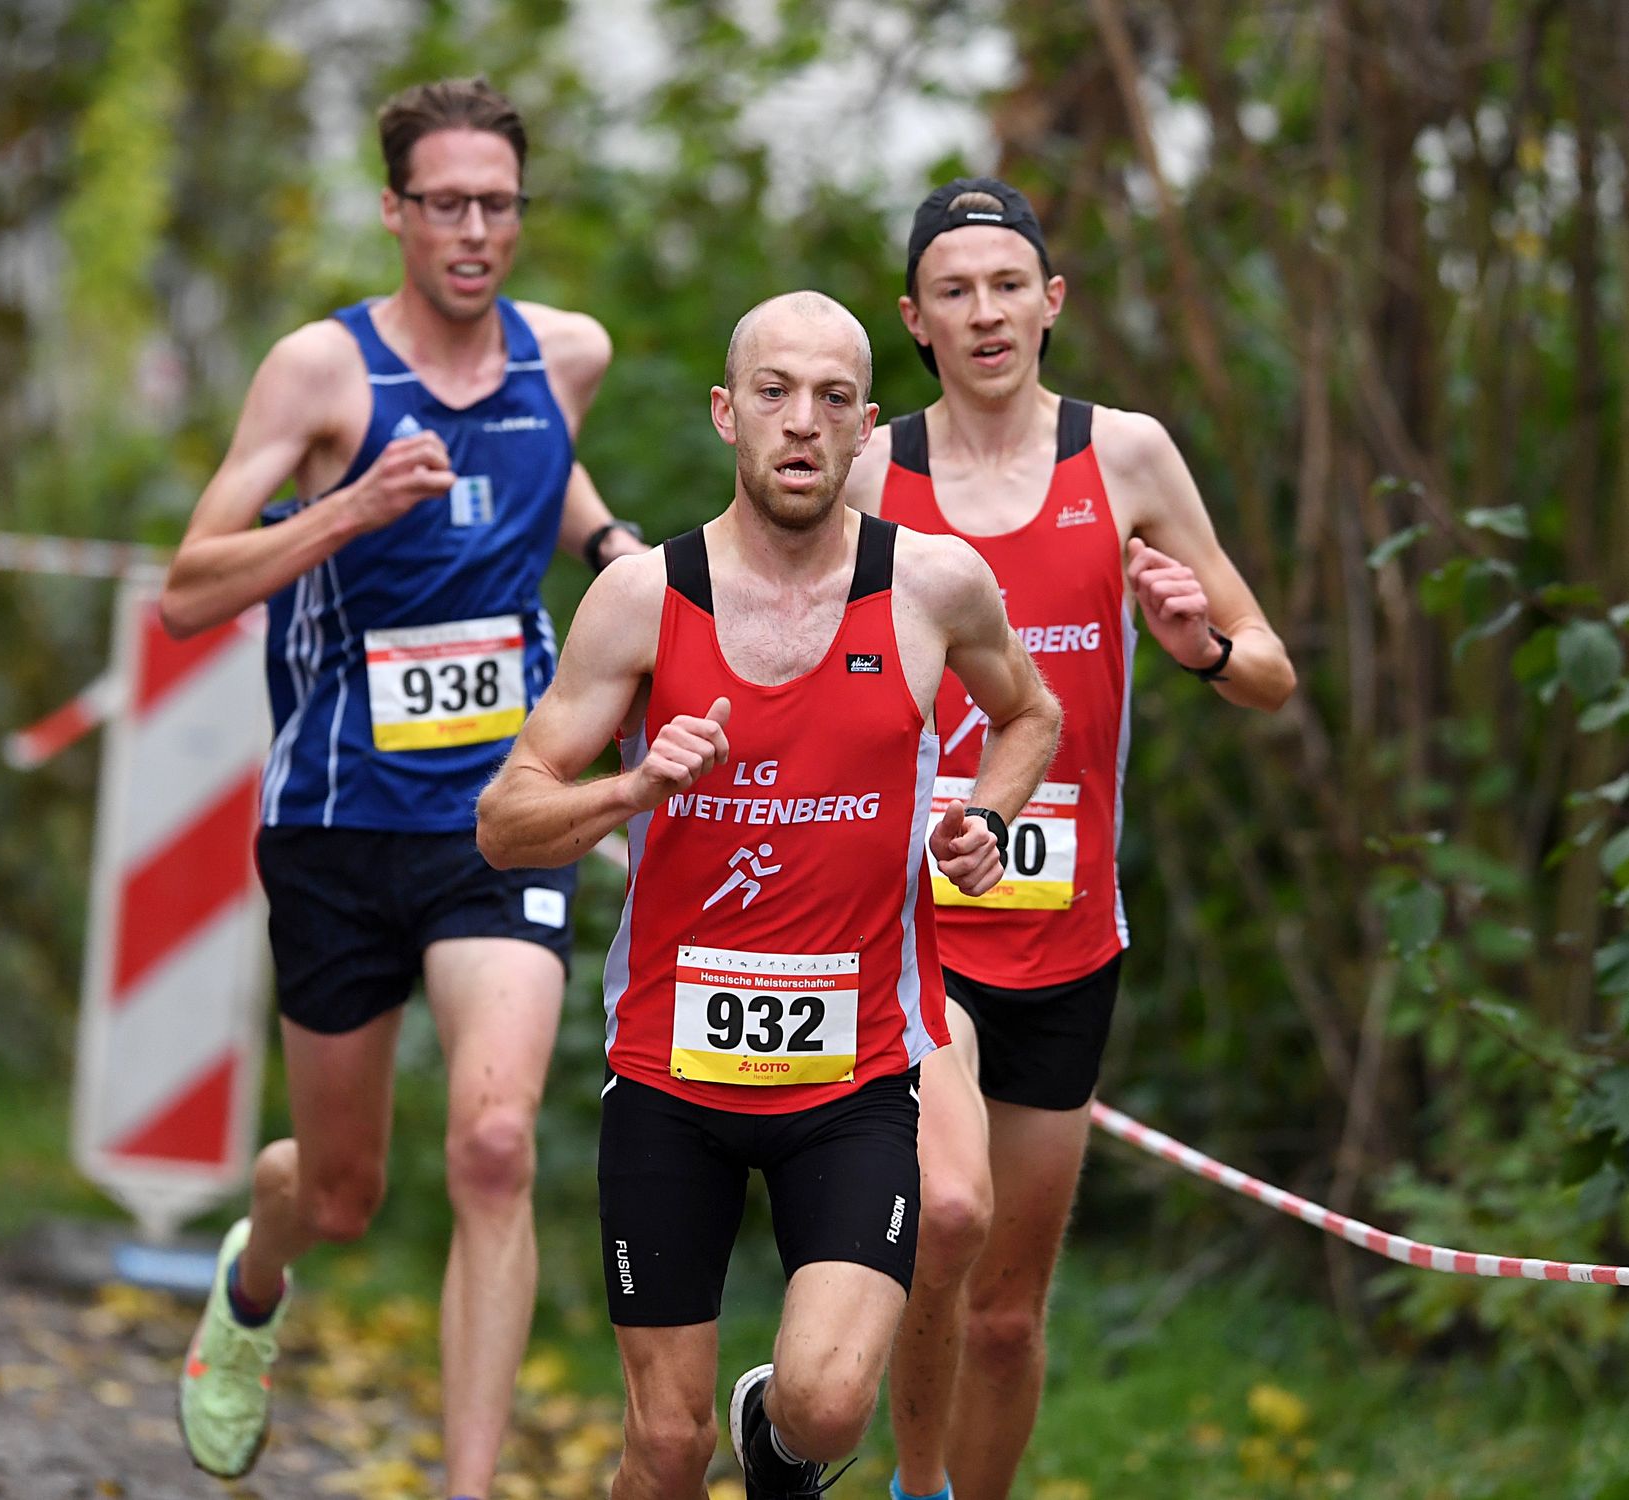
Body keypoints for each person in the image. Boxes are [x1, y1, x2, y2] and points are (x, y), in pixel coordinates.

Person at [475, 290, 1062, 1500]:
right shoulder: (644, 598)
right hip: (668, 1075)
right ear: (725, 414)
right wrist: (633, 787)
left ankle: (779, 1440)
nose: (802, 422)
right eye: (775, 394)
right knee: (664, 1448)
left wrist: (991, 821)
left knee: (828, 1406)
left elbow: (1031, 714)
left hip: (854, 1077)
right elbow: (503, 820)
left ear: (865, 429)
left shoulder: (932, 585)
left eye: (834, 398)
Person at [159, 77, 647, 1494]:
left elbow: (537, 462)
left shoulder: (567, 354)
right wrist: (351, 507)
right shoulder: (322, 374)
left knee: (494, 1145)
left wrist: (607, 541)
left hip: (502, 812)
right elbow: (190, 590)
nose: (475, 230)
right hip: (336, 820)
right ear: (394, 211)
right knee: (342, 1192)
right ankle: (257, 1266)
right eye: (447, 204)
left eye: (498, 204)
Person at [843, 178, 1297, 1499]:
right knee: (944, 1220)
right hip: (910, 930)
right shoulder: (874, 470)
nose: (984, 313)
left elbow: (1268, 669)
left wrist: (1198, 646)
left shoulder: (1128, 456)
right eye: (954, 291)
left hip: (1065, 941)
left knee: (1003, 1312)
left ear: (1050, 302)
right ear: (916, 321)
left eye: (1006, 286)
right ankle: (914, 1484)